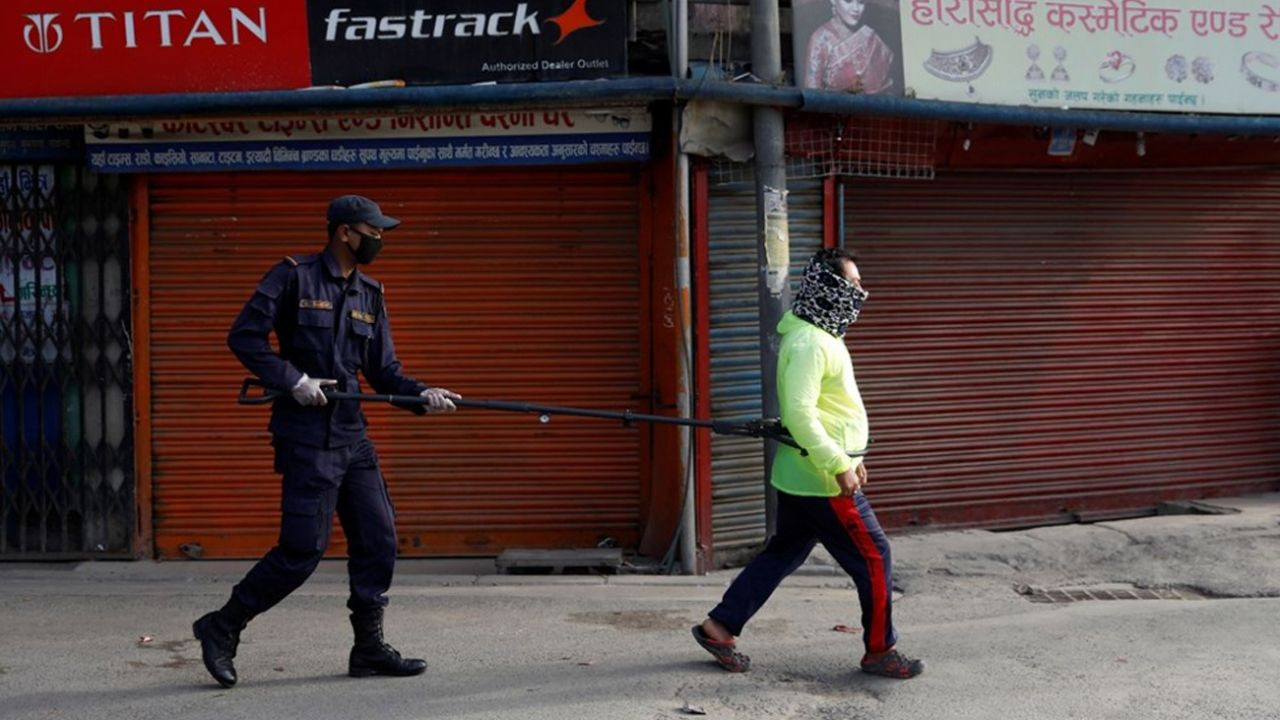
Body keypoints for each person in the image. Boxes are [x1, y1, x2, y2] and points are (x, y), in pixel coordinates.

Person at [192, 195, 460, 688]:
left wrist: (423, 395)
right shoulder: (293, 276)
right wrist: (292, 379)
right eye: (371, 231)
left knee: (378, 539)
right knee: (302, 551)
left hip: (353, 437)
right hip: (307, 438)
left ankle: (369, 649)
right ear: (343, 232)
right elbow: (244, 336)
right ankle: (221, 626)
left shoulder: (371, 294)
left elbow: (385, 372)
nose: (379, 239)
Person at [691, 248, 923, 679]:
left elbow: (832, 408)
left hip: (807, 473)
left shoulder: (821, 335)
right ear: (827, 288)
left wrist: (855, 458)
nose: (859, 292)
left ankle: (719, 627)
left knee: (784, 552)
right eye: (851, 284)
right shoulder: (811, 342)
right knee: (875, 556)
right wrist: (838, 463)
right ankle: (880, 650)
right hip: (820, 480)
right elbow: (800, 413)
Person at [803, 0, 895, 94]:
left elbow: (886, 89)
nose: (856, 9)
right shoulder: (821, 40)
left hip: (874, 107)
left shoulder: (871, 38)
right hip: (833, 107)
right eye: (848, 1)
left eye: (861, 2)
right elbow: (812, 96)